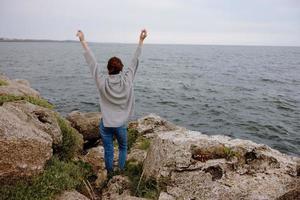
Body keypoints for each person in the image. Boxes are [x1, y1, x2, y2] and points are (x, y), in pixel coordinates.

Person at [76, 29, 147, 177]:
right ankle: (120, 172)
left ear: (108, 69)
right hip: (120, 125)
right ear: (121, 68)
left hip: (106, 124)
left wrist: (83, 40)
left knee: (108, 150)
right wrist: (141, 41)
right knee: (122, 147)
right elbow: (134, 62)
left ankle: (109, 175)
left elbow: (92, 63)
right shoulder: (127, 80)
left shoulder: (102, 82)